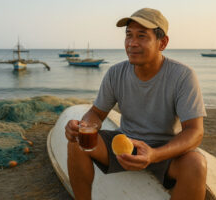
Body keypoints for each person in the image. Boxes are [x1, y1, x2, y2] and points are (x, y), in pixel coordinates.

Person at [65, 7, 207, 200]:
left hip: (165, 151)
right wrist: (83, 127)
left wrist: (154, 154)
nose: (132, 43)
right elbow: (97, 114)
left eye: (142, 36)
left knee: (197, 164)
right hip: (124, 145)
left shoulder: (182, 76)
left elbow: (194, 131)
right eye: (128, 35)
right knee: (77, 143)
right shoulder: (116, 73)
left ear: (162, 42)